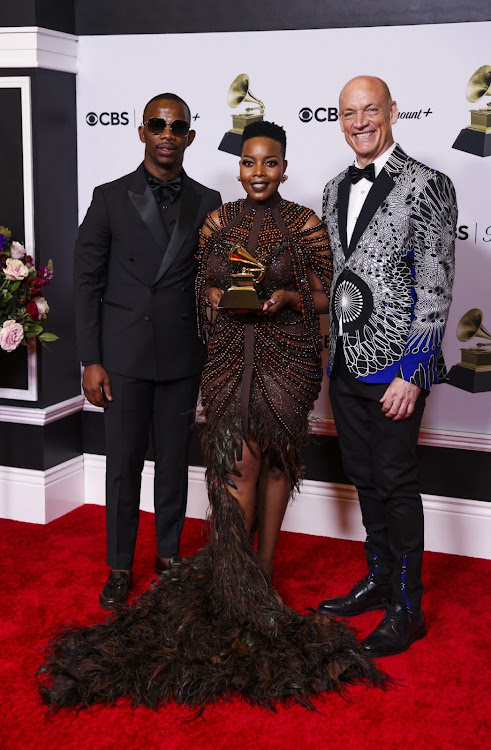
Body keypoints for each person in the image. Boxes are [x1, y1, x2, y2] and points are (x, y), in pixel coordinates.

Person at [38, 121, 387, 710]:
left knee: (277, 464)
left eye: (269, 163)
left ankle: (263, 572)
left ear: (282, 164)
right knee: (233, 470)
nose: (258, 172)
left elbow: (334, 293)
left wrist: (293, 298)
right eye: (249, 163)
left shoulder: (302, 221)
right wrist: (215, 303)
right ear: (239, 165)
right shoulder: (216, 219)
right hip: (223, 361)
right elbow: (194, 288)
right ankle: (226, 575)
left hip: (287, 361)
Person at [318, 76, 457, 658]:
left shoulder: (429, 184)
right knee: (364, 478)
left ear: (393, 112)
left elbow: (436, 285)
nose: (359, 122)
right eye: (349, 113)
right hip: (345, 364)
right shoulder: (331, 189)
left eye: (370, 110)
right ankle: (378, 578)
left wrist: (414, 370)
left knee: (397, 481)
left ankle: (407, 604)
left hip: (397, 369)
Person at [74, 93, 221, 608]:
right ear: (141, 132)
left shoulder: (208, 201)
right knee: (123, 465)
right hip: (122, 355)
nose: (166, 134)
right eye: (157, 125)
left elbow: (213, 282)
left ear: (189, 137)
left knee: (175, 463)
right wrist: (90, 358)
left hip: (182, 354)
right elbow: (86, 282)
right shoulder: (109, 196)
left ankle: (168, 557)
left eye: (176, 127)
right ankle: (119, 565)